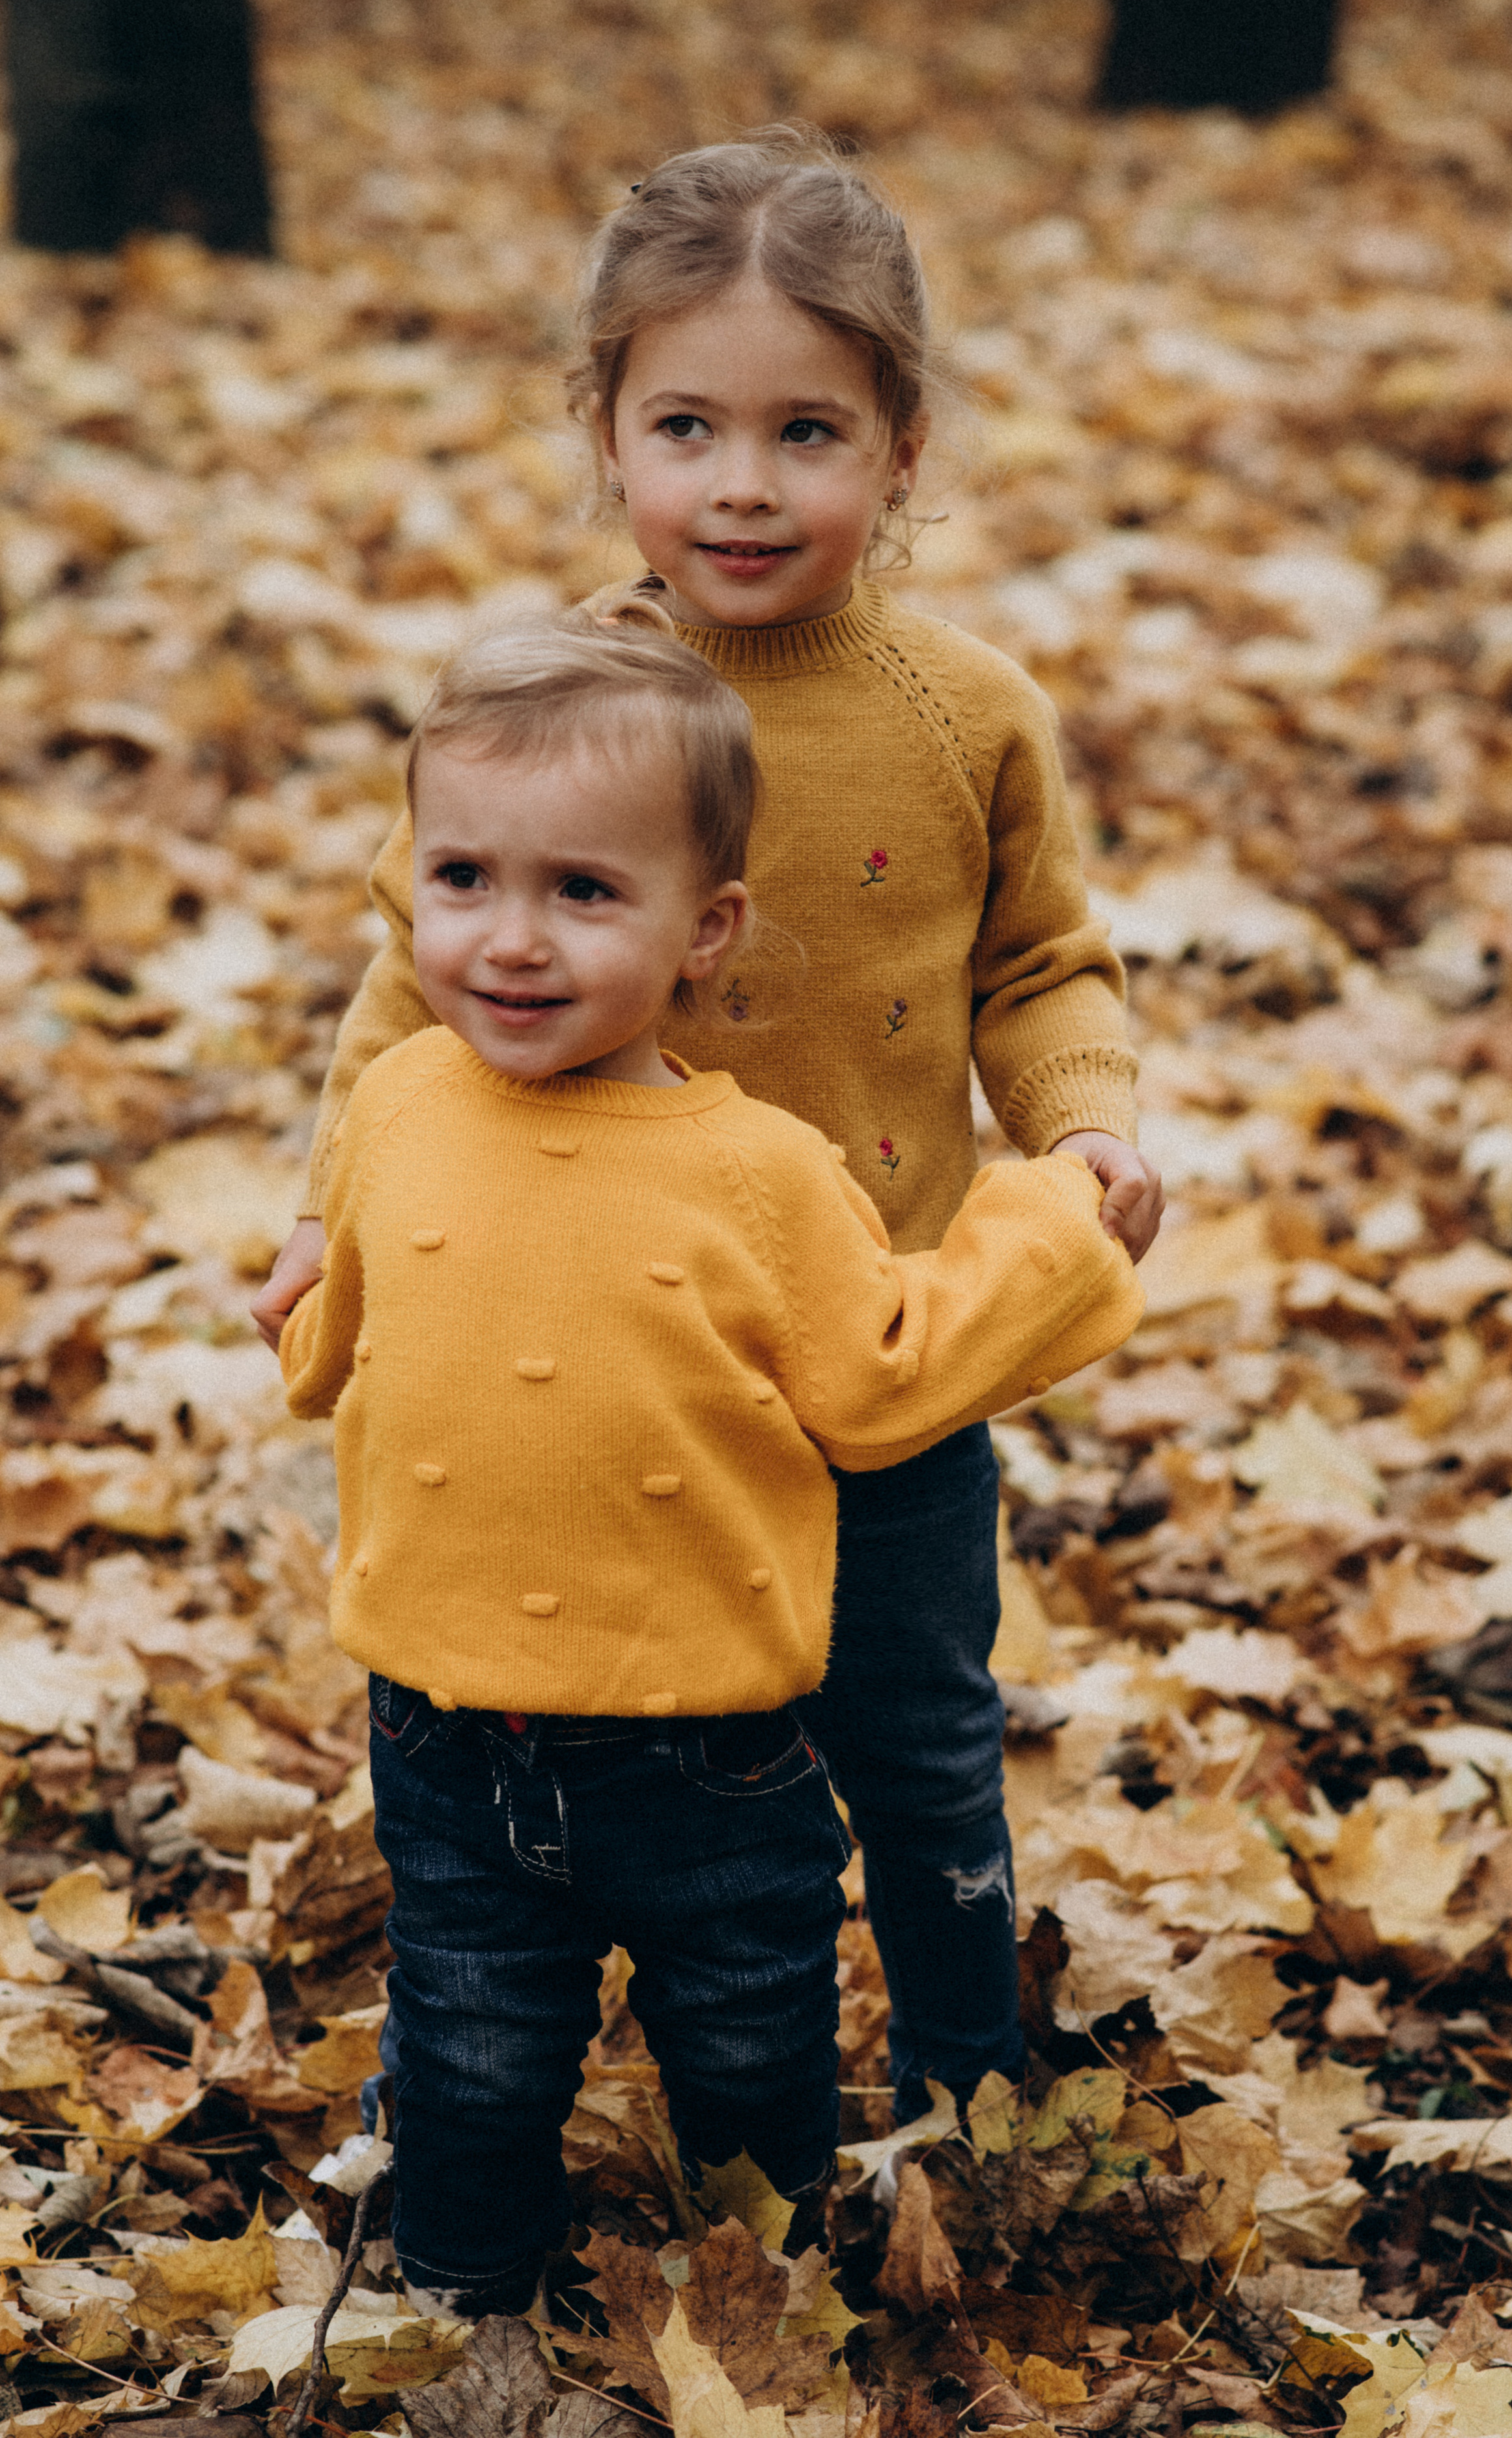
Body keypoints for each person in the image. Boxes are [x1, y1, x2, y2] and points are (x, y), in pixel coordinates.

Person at [257, 130, 1162, 2131]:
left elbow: (1043, 961)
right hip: (614, 1362)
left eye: (807, 431)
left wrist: (1082, 1131)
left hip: (887, 1347)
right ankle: (604, 2047)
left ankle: (959, 2082)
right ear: (607, 432)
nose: (743, 484)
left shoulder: (965, 713)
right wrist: (335, 1216)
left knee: (916, 1735)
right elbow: (414, 987)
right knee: (631, 1744)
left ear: (902, 444)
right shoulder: (548, 712)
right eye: (687, 424)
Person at [281, 611, 1144, 2318]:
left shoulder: (758, 1169)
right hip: (449, 1731)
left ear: (706, 931)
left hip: (707, 1749)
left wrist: (1053, 1215)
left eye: (585, 897)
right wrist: (310, 1284)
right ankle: (454, 2305)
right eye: (464, 879)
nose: (511, 944)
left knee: (749, 2035)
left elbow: (885, 1379)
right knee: (468, 2035)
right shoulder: (396, 1103)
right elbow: (348, 1337)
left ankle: (768, 2301)